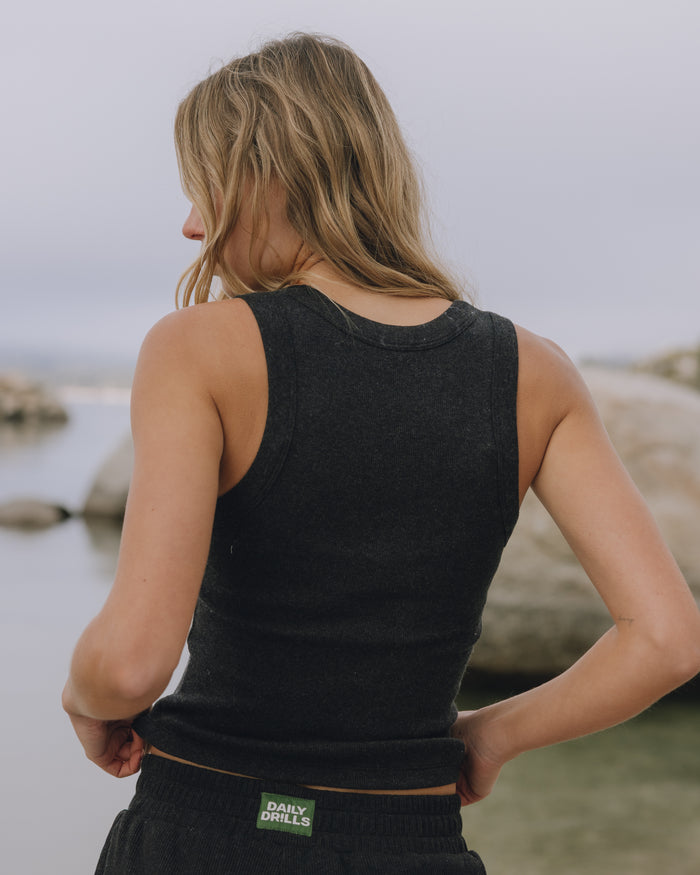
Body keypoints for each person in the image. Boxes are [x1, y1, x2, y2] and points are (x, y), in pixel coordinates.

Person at [62, 33, 700, 874]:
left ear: (271, 173)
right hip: (413, 838)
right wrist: (489, 734)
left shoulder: (200, 349)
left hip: (208, 827)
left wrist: (83, 696)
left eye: (206, 189)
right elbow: (666, 638)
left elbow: (135, 659)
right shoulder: (534, 374)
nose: (192, 224)